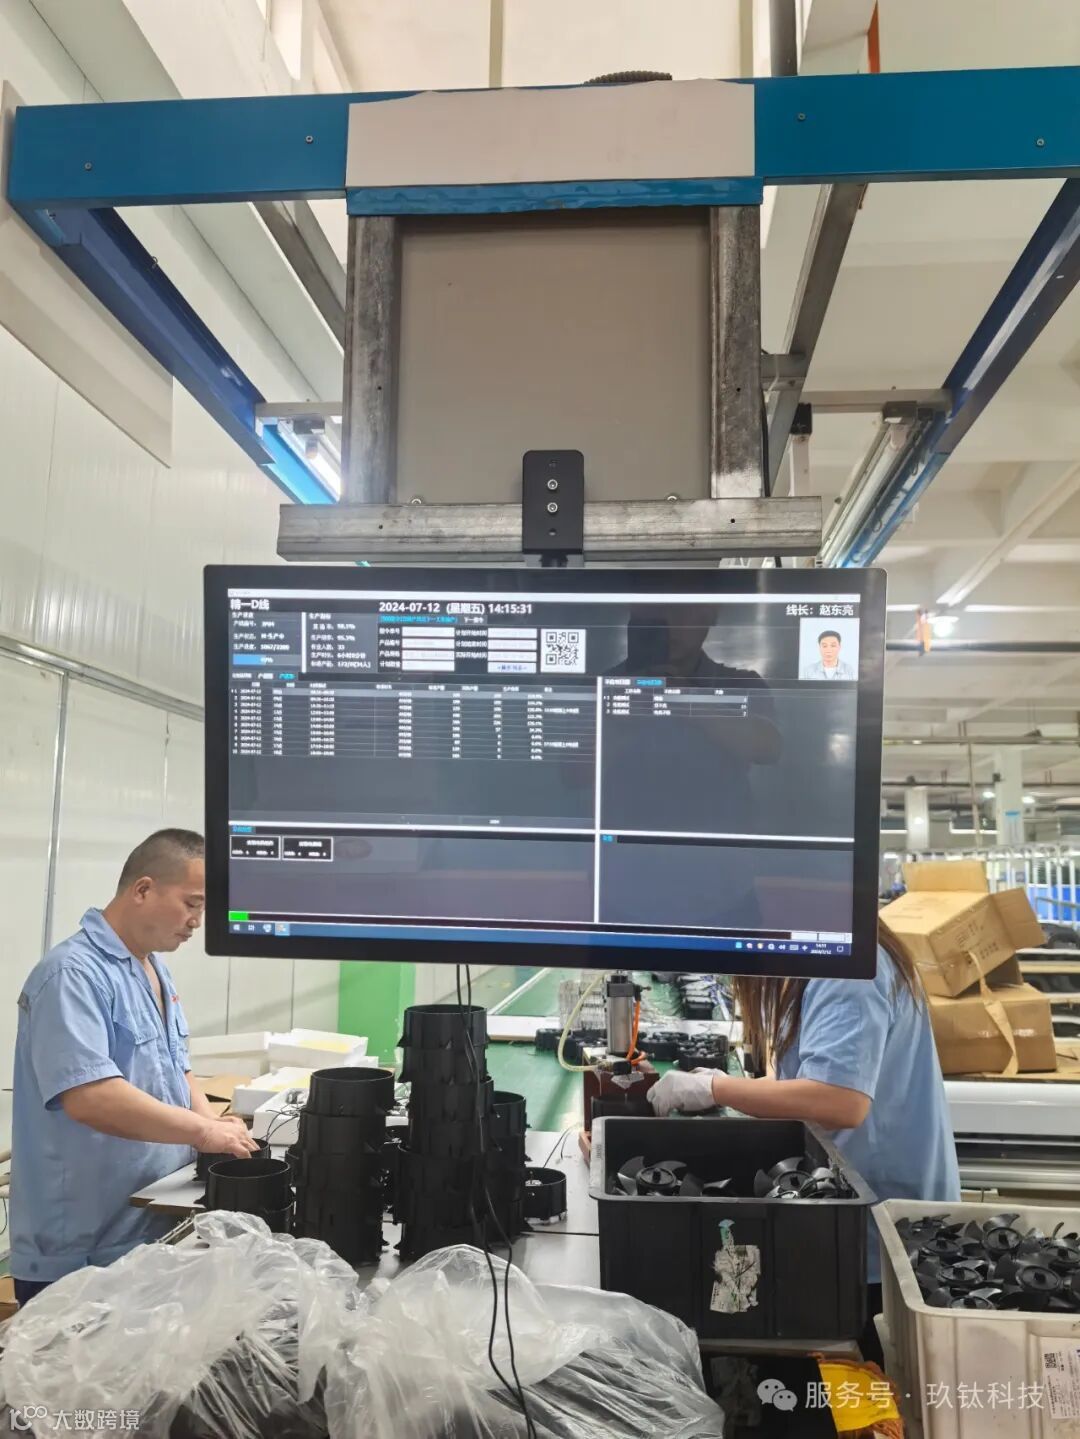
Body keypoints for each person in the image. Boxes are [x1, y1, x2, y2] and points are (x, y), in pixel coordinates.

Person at [648, 926, 960, 1360]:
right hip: (856, 1212)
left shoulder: (848, 972)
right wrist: (724, 1089)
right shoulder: (821, 961)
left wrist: (719, 1089)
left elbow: (839, 1100)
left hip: (879, 1225)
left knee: (865, 1380)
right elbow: (804, 1078)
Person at [9, 829, 258, 1304]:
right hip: (82, 1252)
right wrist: (202, 1132)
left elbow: (177, 1067)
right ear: (143, 889)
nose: (196, 921)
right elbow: (91, 1097)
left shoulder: (151, 968)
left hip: (148, 1227)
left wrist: (213, 1123)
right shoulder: (71, 975)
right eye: (191, 904)